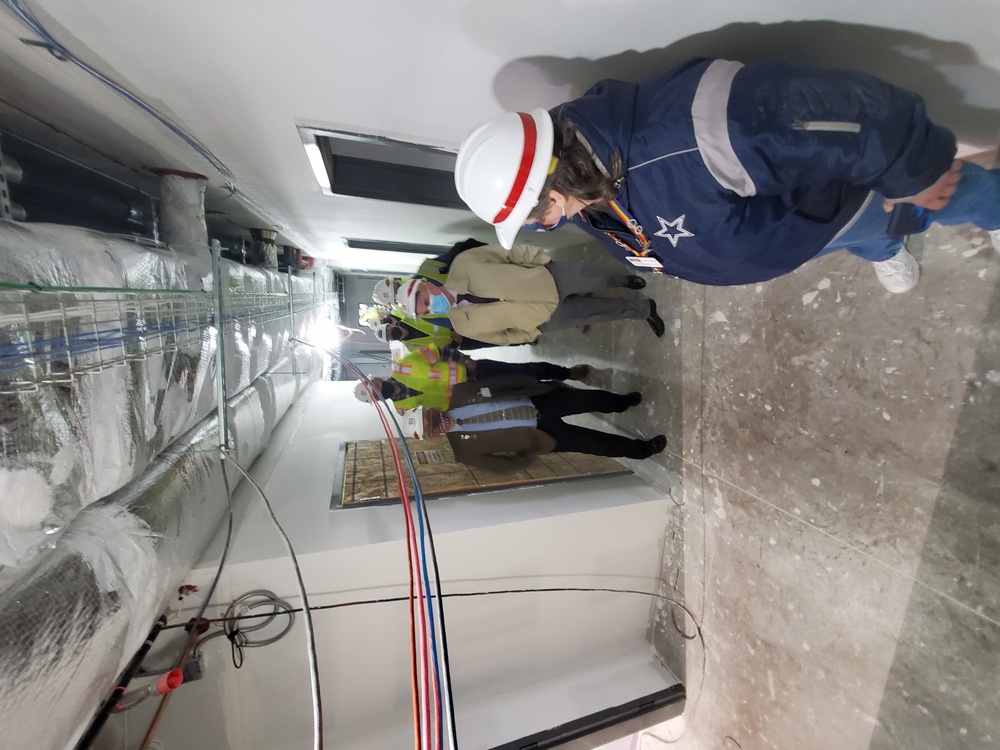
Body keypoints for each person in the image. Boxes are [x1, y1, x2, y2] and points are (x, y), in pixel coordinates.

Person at [454, 58, 1000, 294]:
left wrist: (916, 169)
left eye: (538, 220)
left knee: (954, 195)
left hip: (845, 200)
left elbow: (851, 113)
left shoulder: (692, 132)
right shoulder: (591, 187)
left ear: (551, 189)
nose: (548, 225)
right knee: (867, 241)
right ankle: (884, 251)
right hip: (803, 233)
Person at [394, 242, 665, 345]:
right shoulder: (463, 325)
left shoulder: (464, 263)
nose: (432, 308)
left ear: (427, 286)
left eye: (426, 301)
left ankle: (625, 280)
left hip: (547, 277)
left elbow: (507, 253)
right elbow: (503, 338)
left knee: (598, 276)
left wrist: (541, 259)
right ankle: (644, 310)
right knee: (598, 312)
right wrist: (533, 331)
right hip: (545, 318)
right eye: (426, 311)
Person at [419, 376, 667, 472]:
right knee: (595, 443)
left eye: (432, 418)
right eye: (433, 428)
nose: (438, 424)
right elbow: (501, 465)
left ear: (434, 410)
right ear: (433, 436)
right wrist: (528, 454)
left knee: (589, 399)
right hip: (541, 435)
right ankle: (642, 450)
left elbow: (501, 384)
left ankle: (621, 402)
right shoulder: (464, 451)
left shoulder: (460, 393)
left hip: (539, 401)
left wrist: (534, 383)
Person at [353, 344, 591, 411]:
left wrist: (465, 360)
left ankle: (567, 373)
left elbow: (440, 351)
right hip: (476, 397)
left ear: (375, 380)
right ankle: (558, 387)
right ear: (375, 400)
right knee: (522, 391)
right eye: (372, 392)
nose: (376, 387)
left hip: (475, 372)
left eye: (371, 383)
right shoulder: (404, 409)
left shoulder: (404, 365)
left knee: (525, 370)